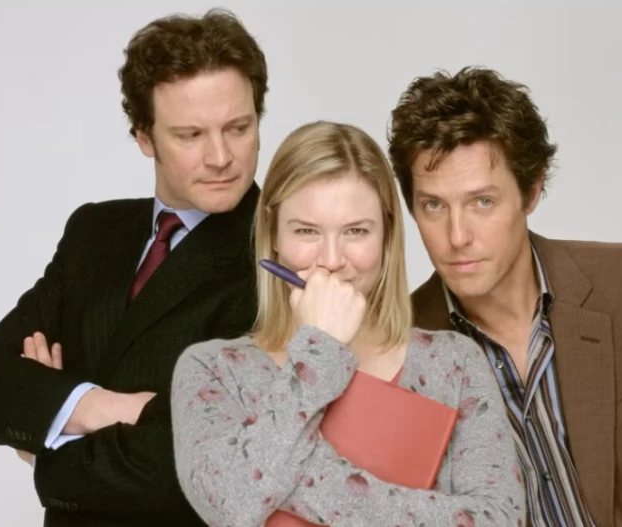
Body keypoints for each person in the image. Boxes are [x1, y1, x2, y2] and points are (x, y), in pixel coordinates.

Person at [0, 8, 268, 527]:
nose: (221, 157)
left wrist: (48, 435)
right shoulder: (93, 231)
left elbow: (186, 462)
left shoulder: (284, 253)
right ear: (144, 137)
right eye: (190, 135)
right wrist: (100, 406)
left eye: (238, 127)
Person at [387, 66, 622, 527]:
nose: (457, 236)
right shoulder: (397, 353)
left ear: (531, 191)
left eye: (482, 202)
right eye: (434, 205)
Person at [170, 121, 525, 526]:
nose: (332, 260)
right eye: (307, 231)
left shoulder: (453, 362)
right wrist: (319, 349)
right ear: (273, 234)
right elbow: (232, 504)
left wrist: (299, 481)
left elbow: (500, 521)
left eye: (356, 231)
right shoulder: (212, 370)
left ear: (387, 235)